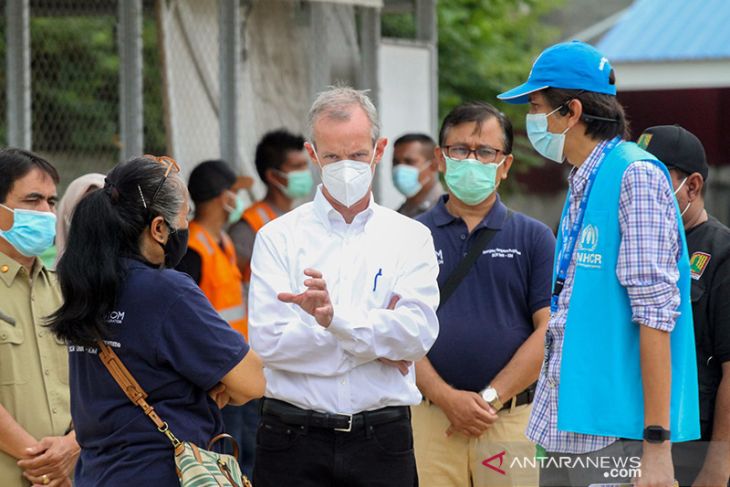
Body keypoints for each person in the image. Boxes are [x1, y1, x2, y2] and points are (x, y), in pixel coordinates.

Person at [498, 40, 700, 487]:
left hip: (616, 435)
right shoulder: (585, 179)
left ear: (570, 111)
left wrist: (656, 446)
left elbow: (655, 316)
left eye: (535, 106)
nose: (531, 120)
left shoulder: (634, 175)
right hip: (567, 427)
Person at [248, 85, 440, 487]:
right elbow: (269, 344)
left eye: (356, 154)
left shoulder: (411, 237)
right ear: (313, 154)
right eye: (332, 156)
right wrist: (375, 343)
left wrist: (334, 322)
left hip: (382, 439)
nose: (345, 166)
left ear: (378, 149)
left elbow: (417, 337)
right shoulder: (277, 237)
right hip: (291, 438)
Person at [48, 155, 265, 486]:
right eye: (184, 216)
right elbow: (252, 381)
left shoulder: (83, 283)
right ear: (159, 228)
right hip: (161, 471)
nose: (187, 226)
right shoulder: (166, 290)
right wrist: (209, 385)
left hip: (95, 473)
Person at [413, 102, 555, 487]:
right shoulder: (409, 235)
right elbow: (397, 330)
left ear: (504, 165)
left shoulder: (534, 237)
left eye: (485, 152)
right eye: (459, 150)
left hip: (507, 419)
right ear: (441, 159)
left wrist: (489, 398)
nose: (471, 161)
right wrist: (446, 398)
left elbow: (548, 330)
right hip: (429, 419)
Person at [638, 125, 730, 487]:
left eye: (654, 179)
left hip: (694, 448)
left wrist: (718, 467)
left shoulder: (721, 253)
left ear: (691, 186)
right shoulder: (635, 246)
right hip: (631, 440)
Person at [0, 148, 79, 487]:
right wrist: (46, 463)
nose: (46, 212)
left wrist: (71, 448)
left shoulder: (66, 291)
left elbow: (98, 386)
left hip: (72, 473)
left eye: (51, 201)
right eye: (33, 200)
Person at [176, 158, 256, 478]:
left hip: (238, 361)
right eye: (234, 192)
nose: (237, 199)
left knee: (246, 448)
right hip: (215, 371)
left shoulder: (221, 241)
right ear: (223, 197)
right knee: (226, 454)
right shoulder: (192, 247)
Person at [229, 129, 313, 290]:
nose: (304, 173)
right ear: (273, 176)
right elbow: (229, 281)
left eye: (305, 165)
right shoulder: (248, 226)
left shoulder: (302, 217)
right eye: (297, 167)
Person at [55, 173, 106, 265]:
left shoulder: (132, 271)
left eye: (102, 206)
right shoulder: (44, 273)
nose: (94, 217)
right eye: (84, 208)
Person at [391, 133, 442, 218]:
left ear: (433, 165)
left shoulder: (450, 211)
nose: (400, 168)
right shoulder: (397, 215)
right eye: (396, 162)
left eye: (409, 162)